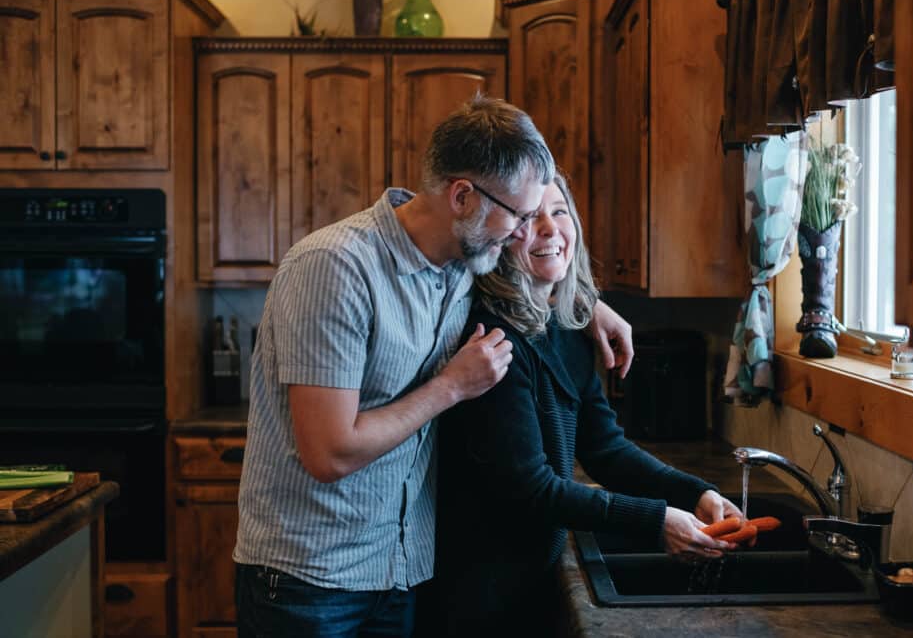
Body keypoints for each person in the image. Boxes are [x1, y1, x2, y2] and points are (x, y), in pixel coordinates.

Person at [232, 96, 634, 638]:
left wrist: (588, 305)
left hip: (403, 572)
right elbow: (328, 453)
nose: (521, 232)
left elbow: (538, 275)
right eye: (517, 215)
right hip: (311, 581)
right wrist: (450, 387)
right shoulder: (334, 267)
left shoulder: (462, 263)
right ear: (462, 196)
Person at [431, 174, 742, 637]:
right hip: (480, 594)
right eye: (528, 217)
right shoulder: (491, 344)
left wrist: (695, 494)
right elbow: (532, 489)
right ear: (497, 234)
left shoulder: (568, 329)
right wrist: (655, 520)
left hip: (532, 582)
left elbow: (606, 449)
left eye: (559, 211)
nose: (551, 229)